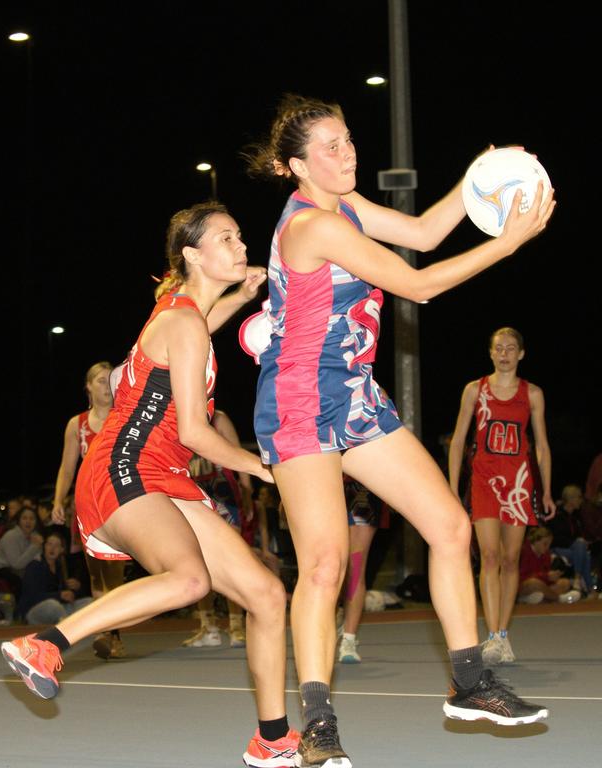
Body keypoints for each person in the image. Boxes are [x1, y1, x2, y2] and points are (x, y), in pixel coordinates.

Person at [242, 94, 553, 765]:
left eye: (349, 139)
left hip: (352, 394)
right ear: (297, 166)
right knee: (323, 564)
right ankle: (318, 723)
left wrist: (482, 176)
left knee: (449, 526)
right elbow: (422, 286)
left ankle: (470, 681)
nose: (348, 153)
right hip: (299, 400)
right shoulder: (310, 229)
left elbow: (423, 234)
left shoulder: (346, 207)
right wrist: (507, 242)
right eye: (331, 146)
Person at [2, 203, 300, 768]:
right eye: (227, 238)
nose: (242, 246)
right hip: (125, 466)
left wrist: (240, 297)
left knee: (265, 595)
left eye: (241, 237)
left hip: (163, 475)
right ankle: (45, 644)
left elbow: (198, 331)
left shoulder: (179, 313)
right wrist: (263, 466)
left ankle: (273, 739)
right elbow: (195, 429)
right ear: (192, 254)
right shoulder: (182, 320)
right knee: (189, 580)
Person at [448, 327, 555, 665]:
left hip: (519, 483)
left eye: (511, 348)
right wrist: (452, 488)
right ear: (491, 353)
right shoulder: (474, 390)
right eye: (499, 348)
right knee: (489, 556)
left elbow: (541, 446)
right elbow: (458, 440)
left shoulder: (532, 394)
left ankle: (503, 635)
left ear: (521, 354)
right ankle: (491, 635)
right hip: (484, 479)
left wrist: (547, 490)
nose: (505, 353)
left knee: (510, 560)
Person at [50, 360, 128, 659]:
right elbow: (67, 469)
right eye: (99, 380)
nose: (106, 386)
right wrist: (58, 501)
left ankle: (114, 635)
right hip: (87, 505)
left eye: (110, 380)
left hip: (119, 502)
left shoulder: (124, 418)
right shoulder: (77, 425)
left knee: (115, 572)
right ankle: (105, 633)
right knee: (96, 575)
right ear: (88, 387)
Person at [183, 409, 256, 649]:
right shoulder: (177, 416)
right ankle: (208, 626)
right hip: (195, 495)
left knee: (230, 560)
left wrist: (247, 491)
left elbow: (239, 455)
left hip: (224, 495)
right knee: (198, 561)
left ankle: (236, 625)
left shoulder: (219, 418)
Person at [336, 478, 390, 664]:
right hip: (326, 481)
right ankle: (332, 618)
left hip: (362, 486)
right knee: (330, 565)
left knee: (355, 565)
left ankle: (348, 639)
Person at [18, 531, 92, 624]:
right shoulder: (34, 566)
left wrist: (77, 589)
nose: (52, 548)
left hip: (59, 608)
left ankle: (88, 632)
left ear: (62, 549)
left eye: (56, 546)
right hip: (34, 611)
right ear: (44, 547)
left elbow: (68, 595)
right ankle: (69, 632)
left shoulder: (60, 566)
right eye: (49, 544)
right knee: (53, 605)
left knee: (89, 602)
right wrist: (59, 595)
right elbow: (32, 597)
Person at [518, 527, 580, 604]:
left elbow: (545, 575)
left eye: (549, 544)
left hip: (541, 585)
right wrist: (546, 576)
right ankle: (558, 598)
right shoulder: (523, 552)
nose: (547, 547)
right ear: (536, 541)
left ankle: (537, 599)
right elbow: (522, 578)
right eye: (545, 544)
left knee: (565, 583)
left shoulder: (546, 554)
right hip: (525, 586)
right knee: (533, 583)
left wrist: (552, 576)